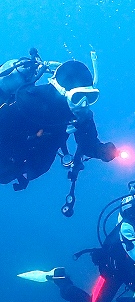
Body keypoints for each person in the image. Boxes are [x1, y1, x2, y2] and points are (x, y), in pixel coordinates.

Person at [0, 50, 116, 196]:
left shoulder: (80, 113)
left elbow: (87, 142)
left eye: (90, 97)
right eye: (79, 96)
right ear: (63, 90)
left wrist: (100, 150)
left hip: (24, 166)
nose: (83, 103)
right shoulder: (27, 103)